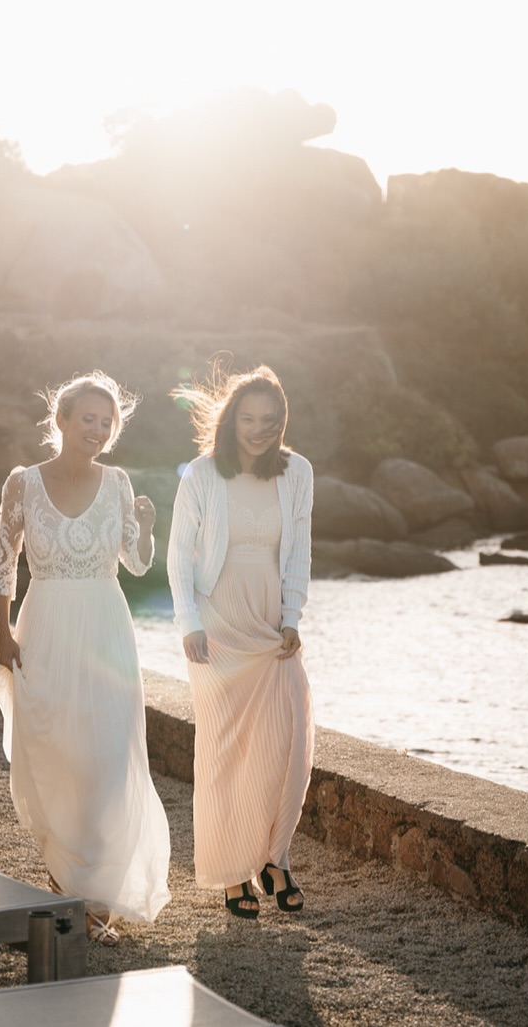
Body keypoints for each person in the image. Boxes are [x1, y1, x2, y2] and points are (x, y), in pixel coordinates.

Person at [0, 371, 171, 944]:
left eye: (105, 422)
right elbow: (3, 560)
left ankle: (96, 897)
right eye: (86, 418)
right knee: (53, 756)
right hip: (42, 628)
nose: (96, 429)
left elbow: (138, 564)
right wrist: (2, 634)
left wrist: (144, 528)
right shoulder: (22, 483)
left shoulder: (117, 482)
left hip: (104, 630)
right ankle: (70, 893)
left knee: (105, 761)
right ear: (61, 420)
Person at [167, 362, 315, 920]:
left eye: (269, 418)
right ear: (230, 420)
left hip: (273, 625)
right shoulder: (203, 475)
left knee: (287, 745)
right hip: (219, 625)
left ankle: (273, 858)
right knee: (225, 750)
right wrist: (188, 625)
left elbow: (298, 548)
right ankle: (233, 872)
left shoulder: (296, 471)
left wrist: (294, 616)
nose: (259, 428)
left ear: (282, 420)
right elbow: (179, 556)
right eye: (249, 418)